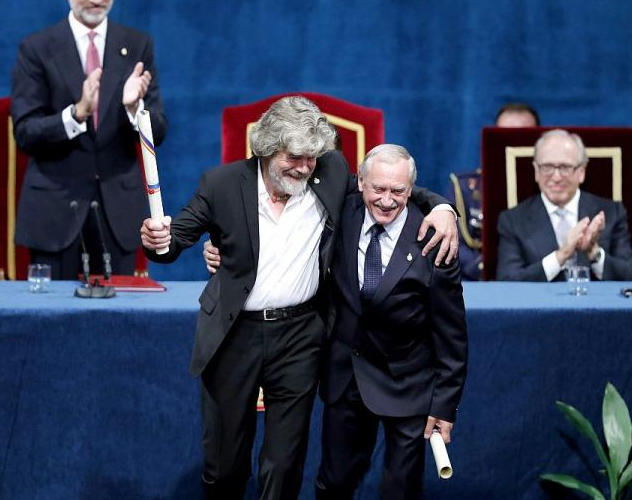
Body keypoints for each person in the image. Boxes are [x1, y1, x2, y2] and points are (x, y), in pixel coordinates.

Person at [140, 96, 459, 500]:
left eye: (311, 157)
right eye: (295, 157)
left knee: (285, 462)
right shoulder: (220, 184)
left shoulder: (331, 172)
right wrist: (157, 242)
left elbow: (390, 190)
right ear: (268, 147)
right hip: (234, 336)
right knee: (224, 466)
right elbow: (173, 241)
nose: (305, 167)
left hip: (300, 336)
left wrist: (443, 207)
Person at [315, 144, 468, 500]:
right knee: (334, 484)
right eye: (378, 189)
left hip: (408, 384)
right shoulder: (340, 213)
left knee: (401, 491)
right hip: (345, 379)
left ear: (411, 190)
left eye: (398, 191)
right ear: (360, 184)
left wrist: (445, 404)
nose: (387, 200)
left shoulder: (435, 237)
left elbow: (452, 334)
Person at [10, 0, 167, 280]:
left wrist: (133, 108)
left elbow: (159, 130)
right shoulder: (36, 49)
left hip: (118, 217)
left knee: (117, 327)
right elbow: (25, 133)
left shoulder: (138, 44)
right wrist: (77, 113)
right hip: (55, 214)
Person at [496, 129, 632, 281]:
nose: (556, 177)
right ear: (536, 171)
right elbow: (507, 282)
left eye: (565, 168)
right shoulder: (513, 220)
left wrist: (594, 252)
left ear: (582, 172)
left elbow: (631, 278)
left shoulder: (612, 212)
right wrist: (561, 255)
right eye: (547, 167)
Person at [449, 102, 540, 280]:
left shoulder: (551, 187)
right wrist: (492, 271)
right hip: (480, 281)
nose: (513, 142)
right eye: (504, 135)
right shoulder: (465, 188)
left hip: (537, 281)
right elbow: (454, 243)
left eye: (523, 135)